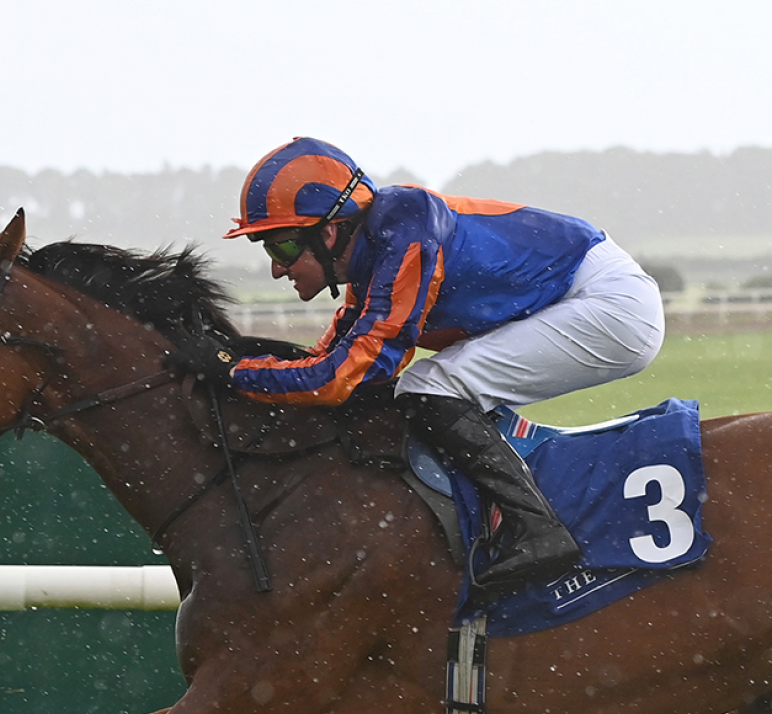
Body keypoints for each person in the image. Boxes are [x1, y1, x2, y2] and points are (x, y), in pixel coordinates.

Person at [222, 137, 665, 595]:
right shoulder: (374, 255)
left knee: (429, 388)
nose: (277, 270)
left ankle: (539, 531)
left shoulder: (403, 234)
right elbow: (336, 364)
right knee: (420, 387)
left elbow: (338, 378)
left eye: (282, 249)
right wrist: (241, 366)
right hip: (585, 294)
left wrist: (234, 373)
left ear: (328, 232)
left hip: (610, 306)